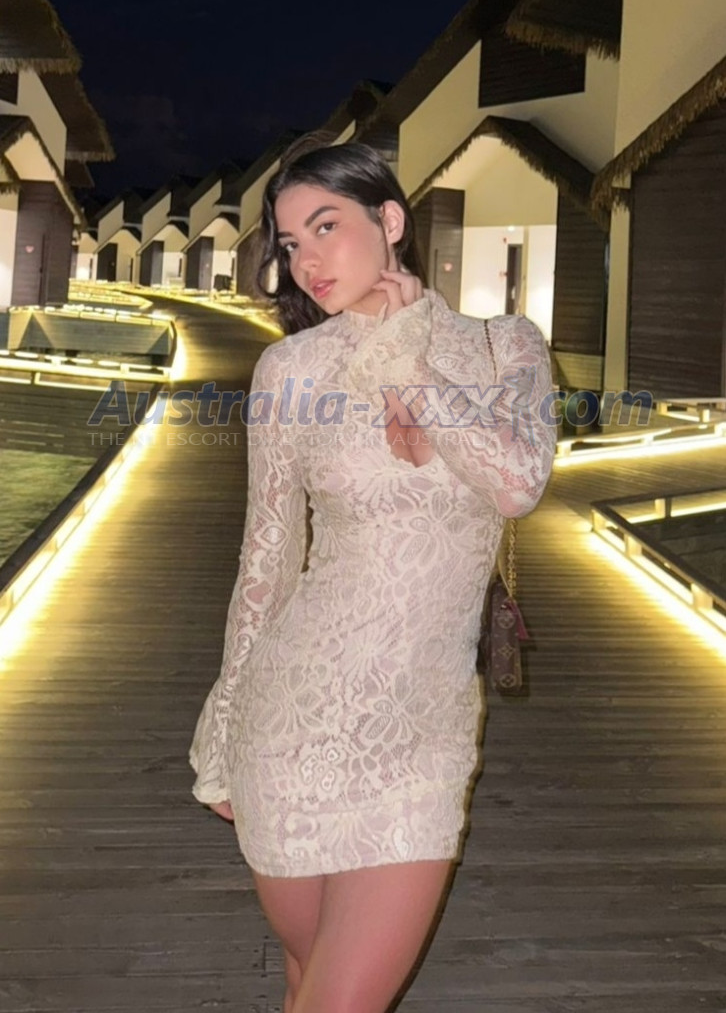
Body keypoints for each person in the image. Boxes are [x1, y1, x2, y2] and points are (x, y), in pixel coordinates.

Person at [189, 139, 556, 1012]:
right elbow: (266, 561)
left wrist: (407, 365)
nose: (306, 261)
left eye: (326, 227)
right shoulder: (289, 371)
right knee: (306, 982)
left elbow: (518, 482)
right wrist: (224, 723)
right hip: (290, 720)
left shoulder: (505, 347)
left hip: (422, 734)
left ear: (389, 220)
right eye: (289, 243)